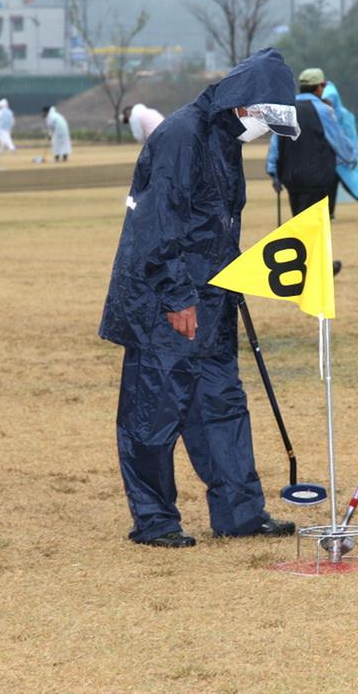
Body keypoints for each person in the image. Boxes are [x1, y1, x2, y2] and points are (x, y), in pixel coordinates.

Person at [99, 48, 301, 548]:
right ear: (244, 104)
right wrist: (176, 297)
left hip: (212, 299)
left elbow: (213, 223)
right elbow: (156, 224)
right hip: (165, 305)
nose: (264, 131)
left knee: (222, 405)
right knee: (154, 410)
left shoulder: (225, 140)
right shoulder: (181, 136)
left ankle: (240, 513)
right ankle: (155, 521)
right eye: (265, 120)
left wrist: (230, 280)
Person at [265, 67, 358, 219]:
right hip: (317, 178)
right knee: (314, 225)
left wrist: (273, 172)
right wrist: (351, 157)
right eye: (323, 85)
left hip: (291, 178)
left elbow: (275, 145)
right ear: (318, 87)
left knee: (299, 221)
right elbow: (337, 139)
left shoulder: (286, 110)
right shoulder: (324, 110)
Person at [323, 81, 358, 219]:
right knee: (331, 186)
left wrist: (348, 154)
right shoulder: (326, 115)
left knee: (350, 185)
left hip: (344, 159)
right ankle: (329, 213)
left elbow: (349, 137)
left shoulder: (344, 115)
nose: (326, 103)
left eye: (328, 100)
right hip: (332, 158)